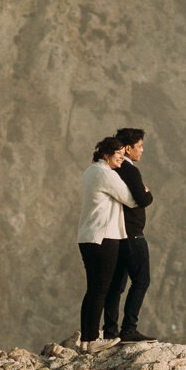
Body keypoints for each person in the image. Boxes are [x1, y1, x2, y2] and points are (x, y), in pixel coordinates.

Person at [76, 136, 136, 345]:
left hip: (89, 236)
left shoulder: (91, 171)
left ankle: (87, 337)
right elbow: (130, 198)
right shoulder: (105, 173)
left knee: (94, 288)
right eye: (118, 154)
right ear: (105, 155)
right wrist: (143, 189)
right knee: (100, 289)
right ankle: (92, 339)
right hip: (104, 236)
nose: (121, 158)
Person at [103, 127, 153, 342]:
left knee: (116, 285)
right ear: (127, 148)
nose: (142, 150)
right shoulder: (129, 170)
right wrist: (147, 192)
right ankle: (129, 328)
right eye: (139, 146)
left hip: (115, 234)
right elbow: (143, 200)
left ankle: (110, 330)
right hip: (132, 233)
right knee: (141, 280)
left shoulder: (112, 170)